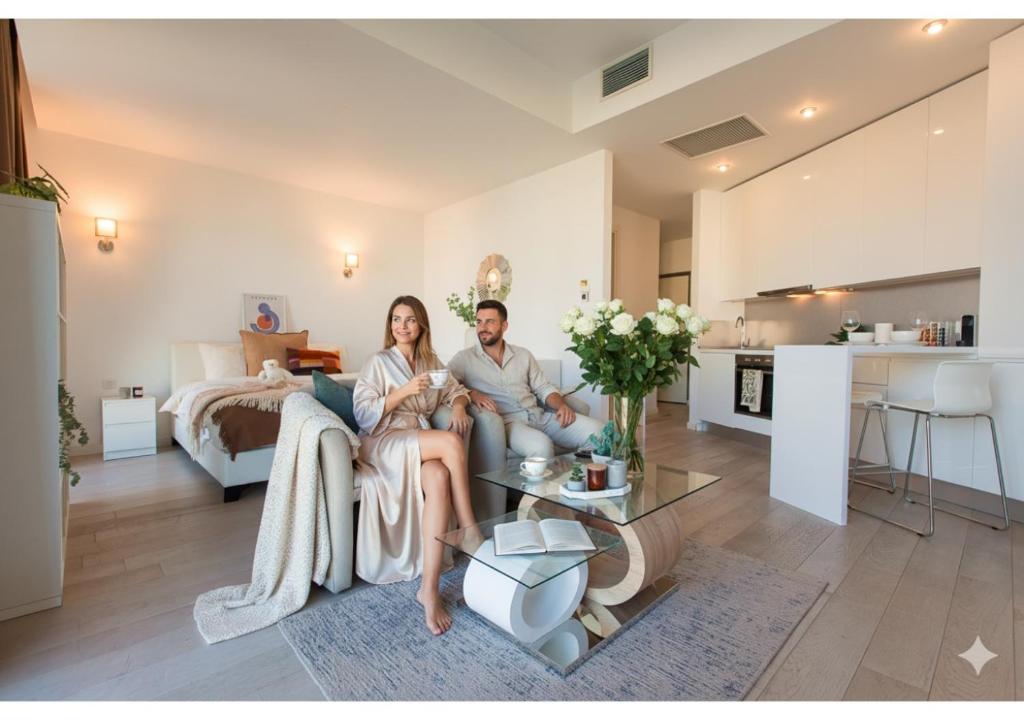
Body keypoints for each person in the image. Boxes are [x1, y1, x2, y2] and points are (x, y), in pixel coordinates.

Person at [352, 295, 478, 636]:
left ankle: (429, 589)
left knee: (438, 476)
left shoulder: (430, 361)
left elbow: (456, 389)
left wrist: (459, 408)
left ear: (420, 324)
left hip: (416, 440)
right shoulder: (377, 362)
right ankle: (468, 529)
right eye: (396, 319)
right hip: (383, 441)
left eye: (409, 319)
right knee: (450, 442)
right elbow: (362, 414)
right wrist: (404, 391)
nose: (401, 326)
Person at [448, 299, 604, 459]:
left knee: (600, 433)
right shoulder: (464, 359)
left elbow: (543, 387)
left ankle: (573, 478)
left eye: (490, 322)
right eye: (479, 322)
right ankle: (544, 483)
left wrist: (562, 406)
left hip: (539, 416)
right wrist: (472, 393)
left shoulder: (523, 355)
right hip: (509, 424)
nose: (482, 328)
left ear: (504, 326)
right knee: (541, 447)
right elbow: (446, 386)